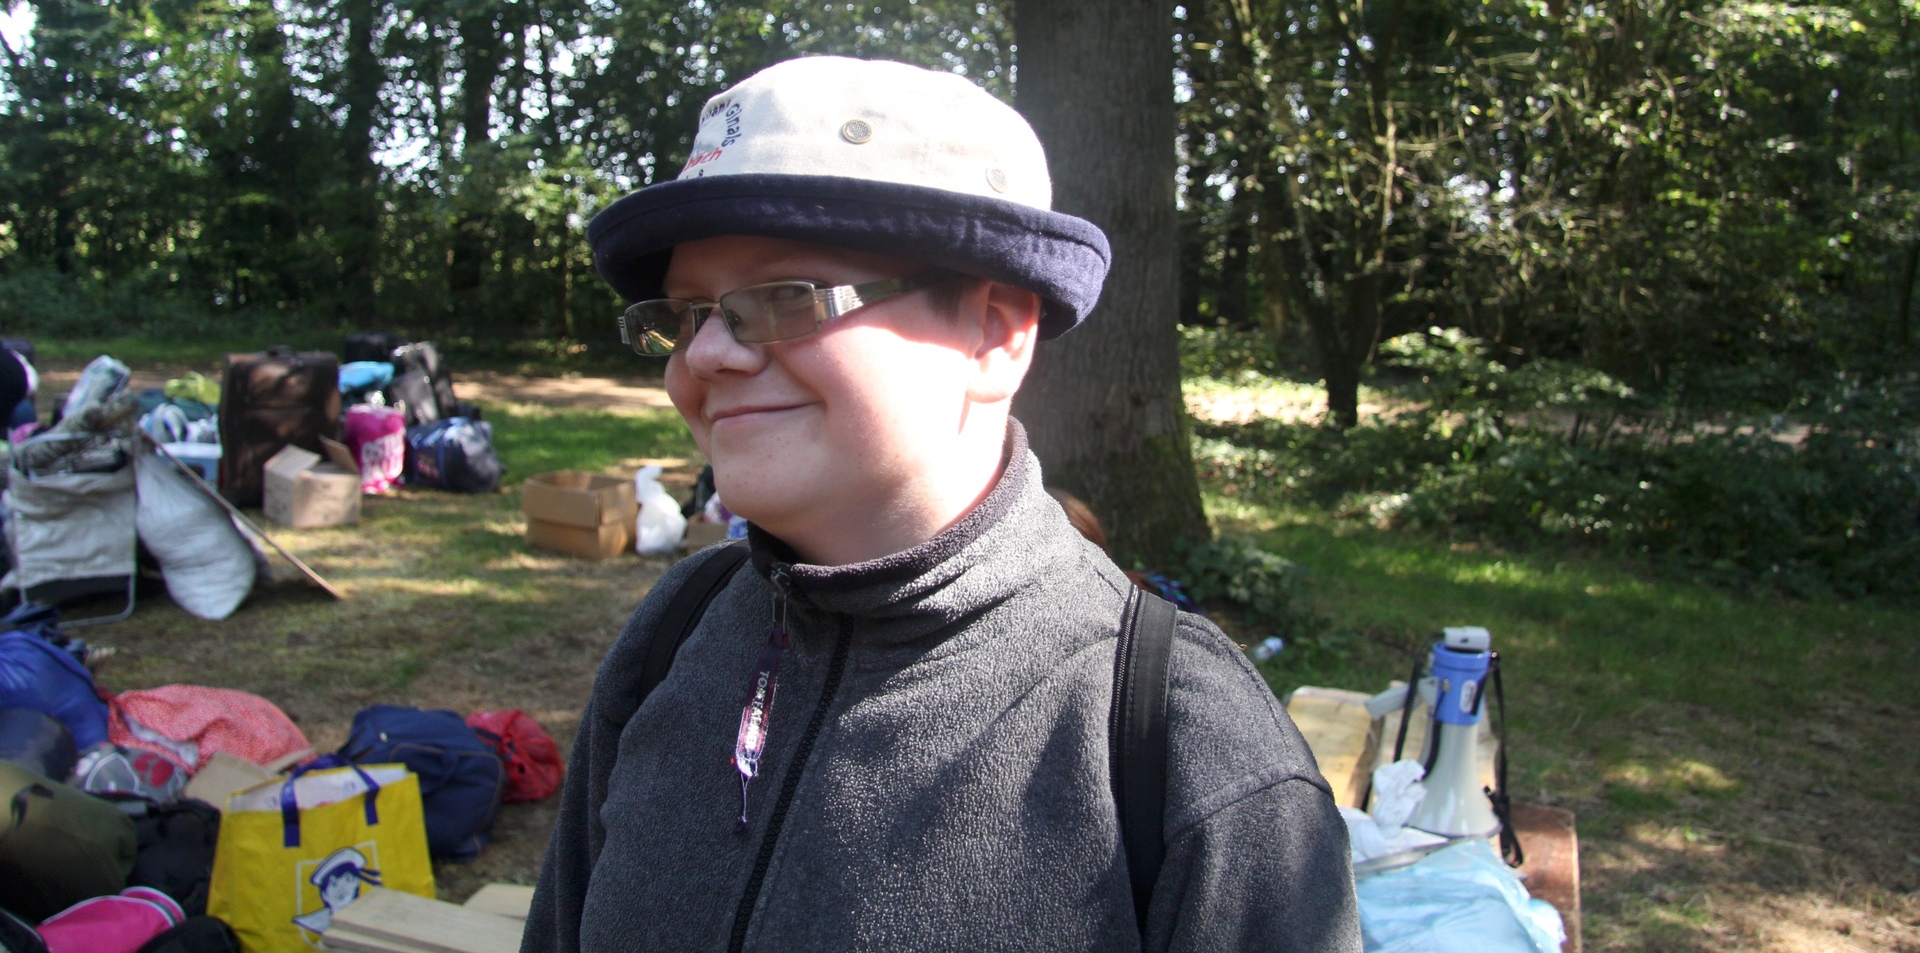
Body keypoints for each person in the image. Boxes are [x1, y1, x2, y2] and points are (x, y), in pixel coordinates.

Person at [525, 56, 1360, 952]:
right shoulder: (677, 632)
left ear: (994, 335)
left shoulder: (1183, 748)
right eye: (687, 314)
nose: (704, 356)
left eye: (784, 298)